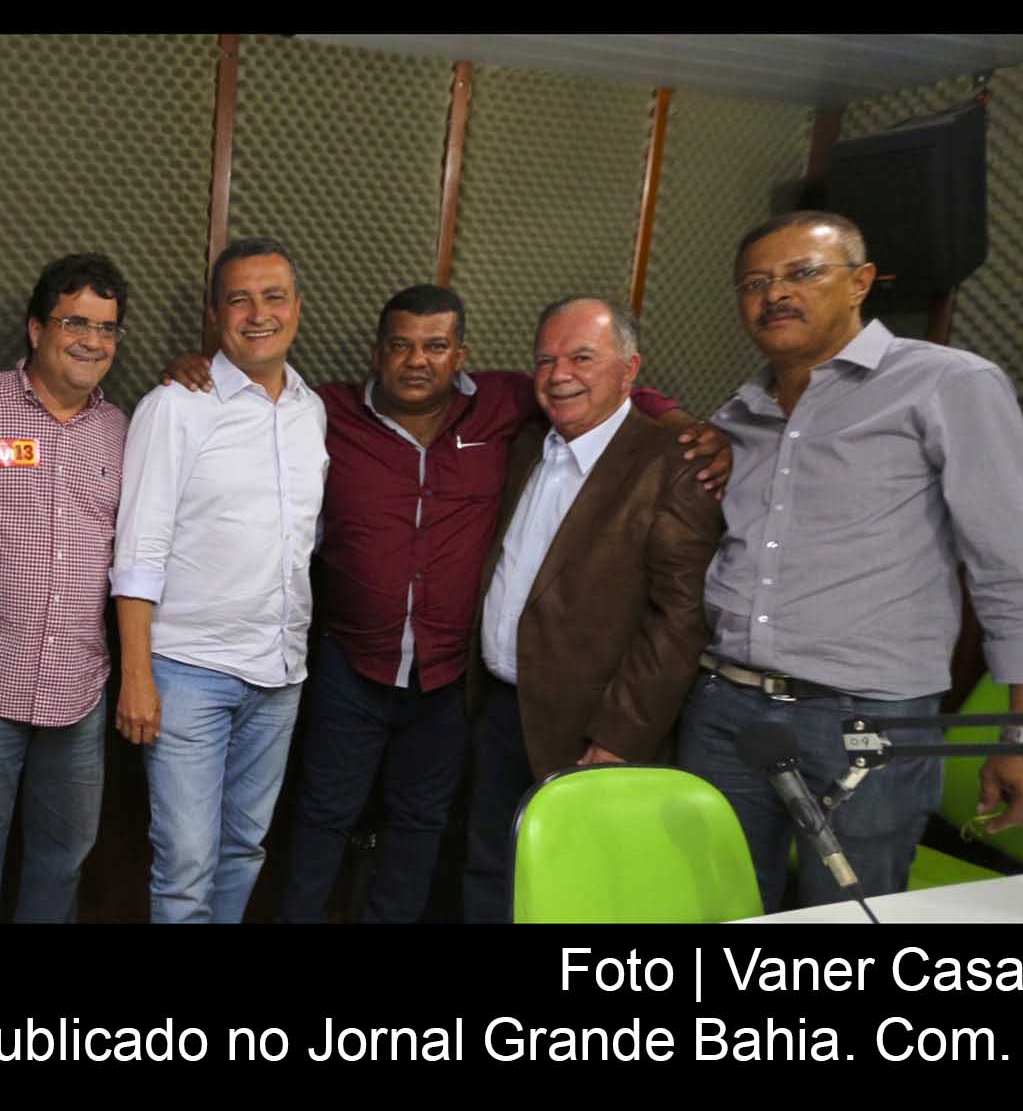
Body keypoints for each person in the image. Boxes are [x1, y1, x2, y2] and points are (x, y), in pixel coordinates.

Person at [160, 285, 725, 923]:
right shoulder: (326, 410)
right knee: (320, 816)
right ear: (377, 353)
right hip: (353, 664)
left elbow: (604, 392)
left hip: (451, 682)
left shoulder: (506, 411)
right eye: (400, 346)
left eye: (435, 346)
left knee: (423, 825)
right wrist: (197, 365)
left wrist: (679, 421)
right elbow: (257, 395)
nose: (416, 361)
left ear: (462, 354)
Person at [678, 208, 1023, 910]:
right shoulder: (739, 413)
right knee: (716, 901)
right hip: (726, 707)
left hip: (867, 723)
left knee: (849, 914)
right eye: (755, 283)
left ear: (860, 282)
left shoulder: (948, 384)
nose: (776, 295)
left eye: (803, 273)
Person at [459, 298, 724, 922]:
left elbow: (679, 619)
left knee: (575, 890)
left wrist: (619, 735)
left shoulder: (674, 460)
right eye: (546, 360)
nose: (559, 375)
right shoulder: (527, 444)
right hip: (498, 708)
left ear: (630, 370)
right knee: (490, 868)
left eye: (582, 357)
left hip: (591, 729)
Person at [113, 235, 328, 923]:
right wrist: (137, 673)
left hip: (281, 674)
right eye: (239, 299)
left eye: (273, 297)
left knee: (244, 848)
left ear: (297, 308)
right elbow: (138, 548)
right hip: (188, 673)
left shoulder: (310, 411)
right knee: (184, 865)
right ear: (215, 315)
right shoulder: (175, 407)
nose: (257, 313)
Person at [0, 253, 132, 923]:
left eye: (107, 328)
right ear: (35, 329)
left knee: (62, 860)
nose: (92, 341)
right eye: (75, 321)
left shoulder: (125, 431)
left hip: (79, 691)